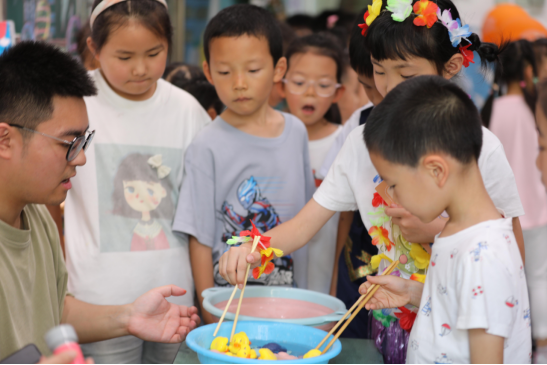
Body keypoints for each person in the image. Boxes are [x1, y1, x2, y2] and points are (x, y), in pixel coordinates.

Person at [219, 1, 525, 362]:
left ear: (451, 67)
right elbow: (305, 225)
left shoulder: (480, 148)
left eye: (406, 75)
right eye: (380, 71)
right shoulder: (362, 143)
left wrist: (435, 228)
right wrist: (252, 249)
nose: (389, 88)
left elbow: (510, 251)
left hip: (466, 326)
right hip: (396, 306)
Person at [0, 40, 200, 363]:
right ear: (5, 140)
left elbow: (54, 309)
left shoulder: (36, 217)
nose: (80, 159)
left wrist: (129, 317)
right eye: (68, 142)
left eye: (84, 141)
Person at [56, 0, 211, 363]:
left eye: (154, 53)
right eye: (124, 57)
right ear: (94, 49)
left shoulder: (187, 110)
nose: (141, 69)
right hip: (96, 305)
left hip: (175, 303)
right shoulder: (76, 103)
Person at [360, 75, 531, 364]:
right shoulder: (459, 230)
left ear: (436, 171)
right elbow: (460, 302)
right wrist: (413, 293)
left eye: (394, 184)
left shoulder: (484, 256)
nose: (391, 196)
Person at [172, 4, 315, 325]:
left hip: (288, 302)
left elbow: (306, 223)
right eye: (225, 72)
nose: (238, 83)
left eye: (252, 70)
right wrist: (210, 312)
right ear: (208, 72)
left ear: (279, 69)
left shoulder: (295, 133)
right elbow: (200, 238)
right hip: (229, 305)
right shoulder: (206, 144)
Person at [483, 40, 547, 360]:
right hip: (538, 202)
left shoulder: (493, 110)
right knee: (538, 278)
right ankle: (542, 347)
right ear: (527, 70)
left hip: (507, 209)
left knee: (515, 277)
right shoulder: (532, 107)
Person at [282, 32, 345, 294]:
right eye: (299, 82)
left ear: (337, 92)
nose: (310, 93)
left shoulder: (344, 140)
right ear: (281, 83)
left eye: (322, 85)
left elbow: (346, 222)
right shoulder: (266, 136)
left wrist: (336, 284)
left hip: (324, 261)